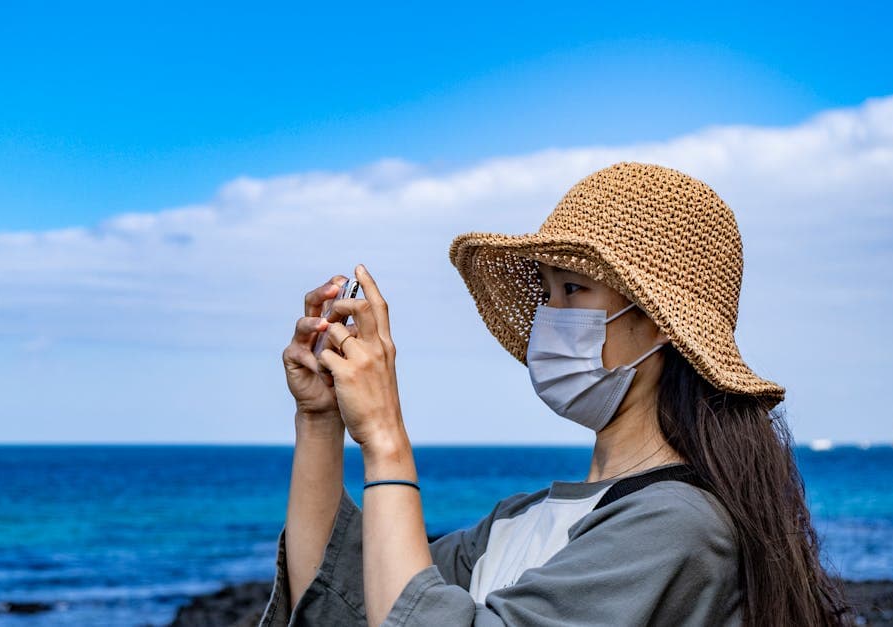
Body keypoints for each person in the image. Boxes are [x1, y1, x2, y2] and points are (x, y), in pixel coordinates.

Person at [262, 162, 850, 626]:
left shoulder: (679, 525)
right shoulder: (516, 522)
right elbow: (338, 602)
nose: (550, 316)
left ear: (660, 324)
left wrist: (386, 439)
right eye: (545, 292)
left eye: (573, 288)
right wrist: (320, 420)